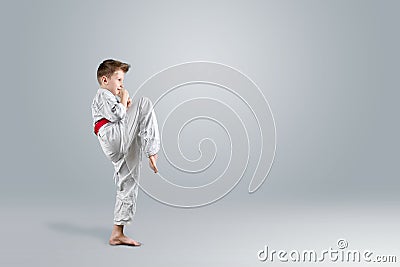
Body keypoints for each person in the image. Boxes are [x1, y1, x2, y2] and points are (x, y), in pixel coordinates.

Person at [91, 59, 160, 246]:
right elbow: (116, 115)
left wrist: (124, 104)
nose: (122, 85)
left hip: (118, 140)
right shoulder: (102, 94)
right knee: (144, 103)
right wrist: (124, 99)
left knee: (128, 181)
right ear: (105, 80)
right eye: (119, 80)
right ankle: (152, 150)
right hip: (113, 136)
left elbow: (119, 114)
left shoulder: (109, 98)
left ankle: (117, 232)